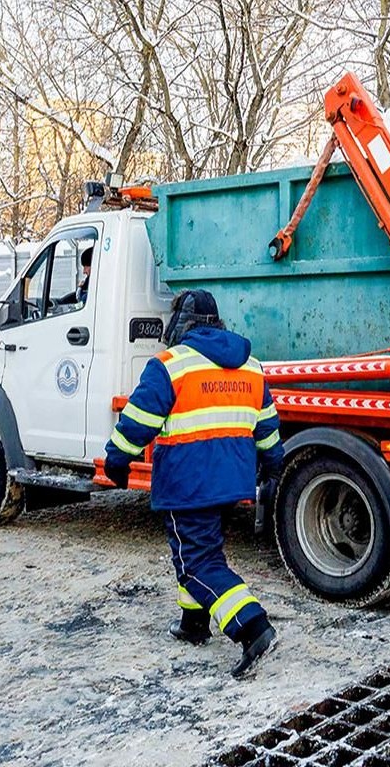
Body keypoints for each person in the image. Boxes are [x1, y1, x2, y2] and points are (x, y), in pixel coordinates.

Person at [103, 289, 284, 679]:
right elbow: (267, 427)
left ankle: (253, 628)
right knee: (195, 550)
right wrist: (273, 465)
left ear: (180, 323)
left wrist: (117, 461)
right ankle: (193, 623)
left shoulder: (169, 365)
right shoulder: (251, 367)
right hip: (231, 482)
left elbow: (138, 422)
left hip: (188, 482)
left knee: (198, 562)